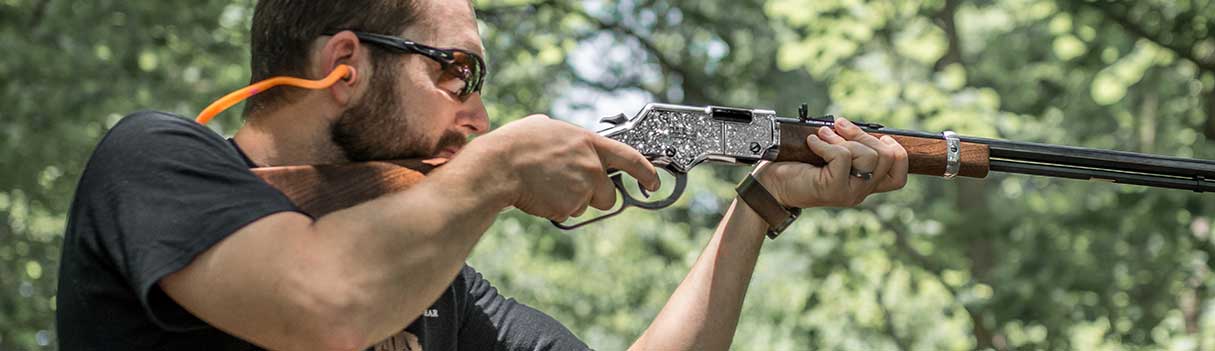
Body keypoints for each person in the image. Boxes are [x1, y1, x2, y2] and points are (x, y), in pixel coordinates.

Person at [56, 0, 909, 349]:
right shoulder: (154, 157)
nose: (479, 116)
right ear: (345, 63)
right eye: (456, 72)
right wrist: (497, 171)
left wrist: (758, 203)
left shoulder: (435, 284)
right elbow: (323, 300)